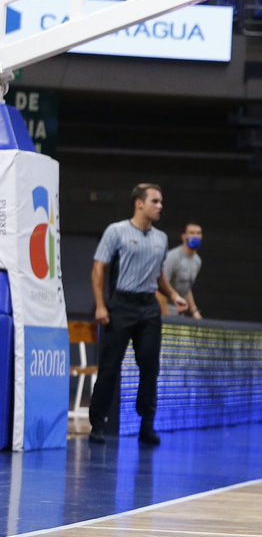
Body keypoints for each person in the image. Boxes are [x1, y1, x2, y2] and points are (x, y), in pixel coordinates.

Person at [88, 183, 187, 447]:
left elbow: (159, 275)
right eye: (155, 201)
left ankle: (147, 425)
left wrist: (173, 295)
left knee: (150, 367)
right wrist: (100, 305)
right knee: (110, 367)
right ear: (139, 204)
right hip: (121, 304)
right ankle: (98, 424)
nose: (160, 206)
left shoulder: (161, 238)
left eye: (161, 202)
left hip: (148, 307)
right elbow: (98, 269)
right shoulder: (116, 231)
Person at [160, 222, 203, 319]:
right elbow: (159, 287)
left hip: (179, 312)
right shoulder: (172, 257)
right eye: (191, 233)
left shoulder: (197, 261)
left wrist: (194, 311)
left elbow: (186, 287)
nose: (195, 236)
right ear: (184, 236)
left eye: (198, 233)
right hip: (165, 309)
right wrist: (165, 316)